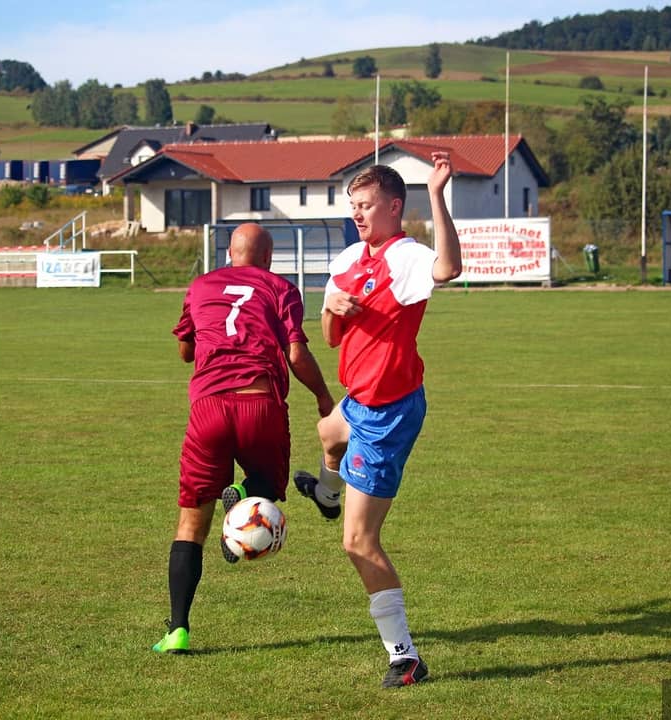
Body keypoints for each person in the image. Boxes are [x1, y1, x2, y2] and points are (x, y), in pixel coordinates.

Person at [293, 153, 462, 688]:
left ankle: (405, 657)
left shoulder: (405, 256)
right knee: (328, 431)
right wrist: (331, 308)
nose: (357, 214)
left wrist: (436, 194)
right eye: (354, 205)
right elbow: (329, 338)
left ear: (393, 207)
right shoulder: (349, 258)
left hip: (387, 414)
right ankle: (327, 494)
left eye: (366, 205)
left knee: (358, 542)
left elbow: (448, 269)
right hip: (358, 401)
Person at [153, 222, 335, 655]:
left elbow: (185, 350)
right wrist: (324, 396)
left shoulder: (201, 286)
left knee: (190, 524)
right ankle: (243, 491)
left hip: (209, 410)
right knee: (269, 487)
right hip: (260, 404)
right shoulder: (281, 288)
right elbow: (295, 353)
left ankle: (178, 629)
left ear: (229, 254)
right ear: (269, 258)